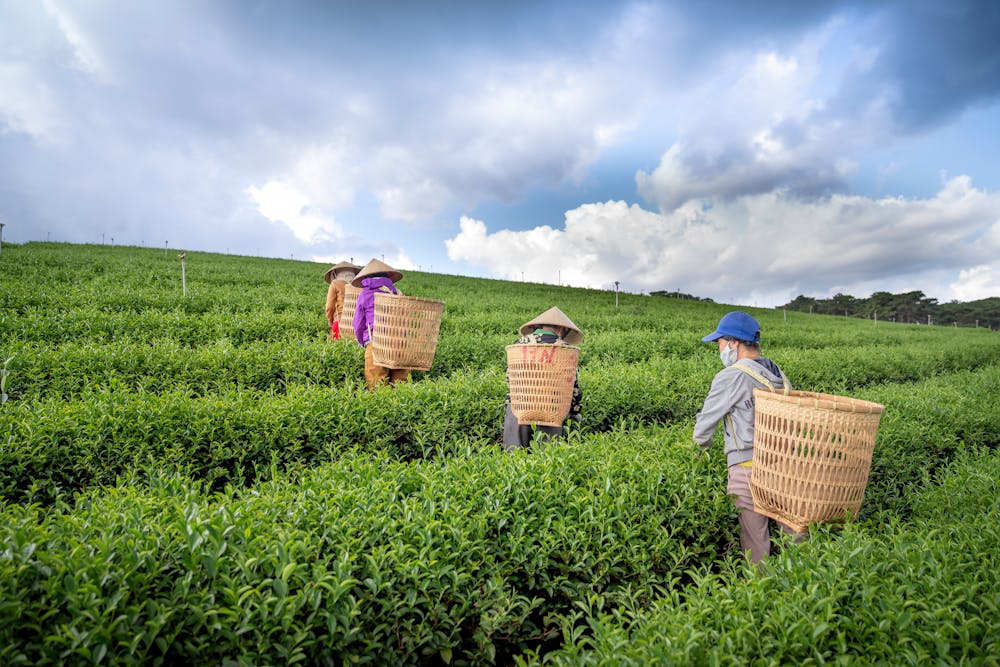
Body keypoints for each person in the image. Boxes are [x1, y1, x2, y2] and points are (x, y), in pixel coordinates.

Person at [693, 310, 802, 563]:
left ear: (733, 342)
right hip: (786, 465)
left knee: (755, 545)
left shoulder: (731, 376)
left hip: (748, 468)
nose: (719, 348)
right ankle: (801, 593)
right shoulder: (778, 375)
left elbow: (704, 425)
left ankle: (759, 596)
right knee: (794, 538)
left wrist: (698, 453)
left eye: (720, 342)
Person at [503, 306, 584, 450]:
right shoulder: (564, 349)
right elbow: (572, 386)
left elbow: (510, 378)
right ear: (561, 329)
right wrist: (575, 412)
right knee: (546, 461)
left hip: (518, 407)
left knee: (513, 458)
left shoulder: (518, 344)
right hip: (551, 409)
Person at [351, 258, 410, 389]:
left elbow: (358, 323)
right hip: (399, 343)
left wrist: (364, 342)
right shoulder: (397, 293)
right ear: (388, 277)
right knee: (401, 388)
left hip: (376, 342)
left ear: (366, 277)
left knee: (376, 387)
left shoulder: (365, 293)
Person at [323, 261, 361, 340]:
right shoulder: (358, 285)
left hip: (340, 321)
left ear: (336, 273)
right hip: (357, 323)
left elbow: (329, 307)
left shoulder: (335, 284)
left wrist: (330, 320)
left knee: (336, 347)